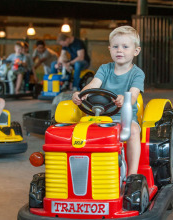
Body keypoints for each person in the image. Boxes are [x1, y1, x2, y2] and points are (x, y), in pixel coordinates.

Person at [72, 26, 144, 176]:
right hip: (99, 116)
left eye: (125, 47)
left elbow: (134, 95)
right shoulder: (105, 69)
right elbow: (94, 85)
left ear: (136, 51)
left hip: (124, 117)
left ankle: (132, 174)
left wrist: (125, 99)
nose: (119, 50)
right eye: (116, 46)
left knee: (134, 131)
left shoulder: (137, 74)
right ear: (110, 49)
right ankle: (83, 171)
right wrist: (82, 94)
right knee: (80, 132)